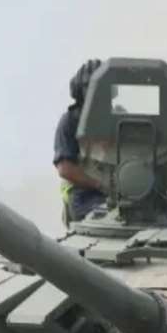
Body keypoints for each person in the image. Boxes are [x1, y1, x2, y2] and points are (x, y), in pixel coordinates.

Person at [54, 59, 107, 225]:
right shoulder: (70, 121)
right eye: (92, 88)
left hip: (121, 192)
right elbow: (65, 169)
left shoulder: (119, 117)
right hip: (83, 194)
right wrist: (101, 185)